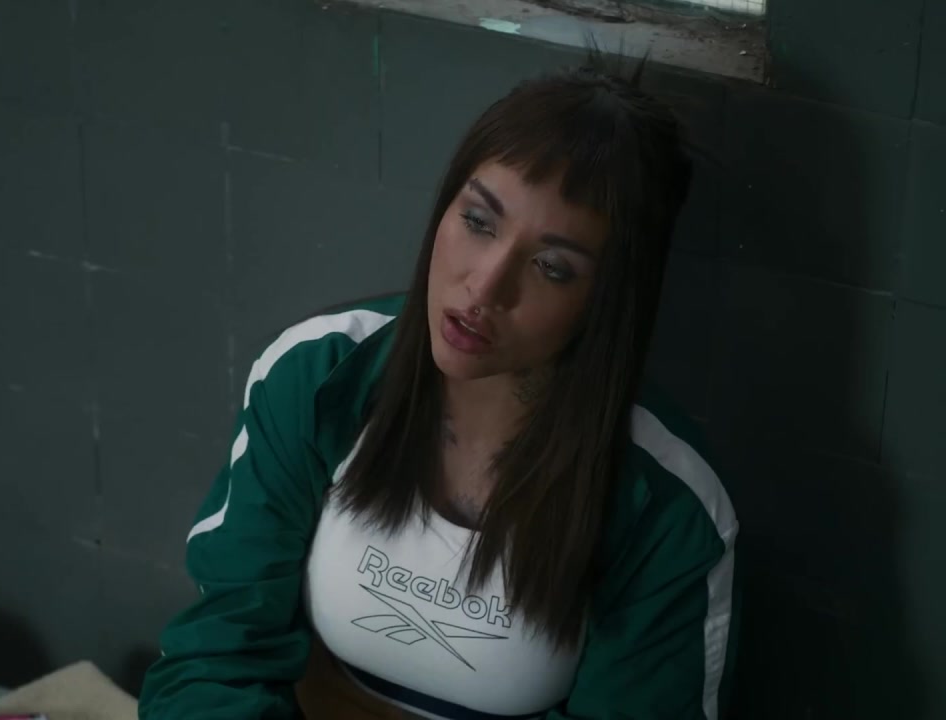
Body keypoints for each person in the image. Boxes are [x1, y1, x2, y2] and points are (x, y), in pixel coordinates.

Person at [137, 55, 739, 720]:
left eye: (551, 267)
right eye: (478, 221)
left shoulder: (668, 505)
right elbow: (217, 656)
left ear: (609, 298)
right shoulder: (317, 376)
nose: (485, 287)